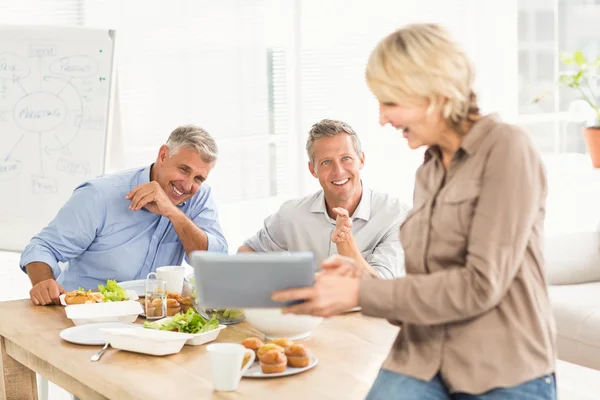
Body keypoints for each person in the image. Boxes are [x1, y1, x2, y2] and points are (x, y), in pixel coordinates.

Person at [272, 24, 557, 399]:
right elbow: (426, 286)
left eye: (390, 102)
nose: (382, 119)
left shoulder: (506, 149)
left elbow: (479, 285)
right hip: (422, 356)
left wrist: (360, 292)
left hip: (501, 366)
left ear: (435, 93)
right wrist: (361, 276)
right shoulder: (430, 169)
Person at [21, 125, 228, 305]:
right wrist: (43, 283)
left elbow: (214, 266)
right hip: (86, 313)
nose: (188, 185)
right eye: (184, 169)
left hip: (151, 318)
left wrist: (172, 212)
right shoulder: (100, 194)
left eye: (199, 178)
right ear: (163, 156)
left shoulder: (198, 197)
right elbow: (41, 248)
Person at [238, 118, 407, 278]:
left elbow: (379, 288)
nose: (338, 171)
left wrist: (345, 244)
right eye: (326, 162)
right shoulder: (292, 214)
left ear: (361, 160)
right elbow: (247, 253)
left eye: (346, 159)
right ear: (313, 169)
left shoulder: (395, 216)